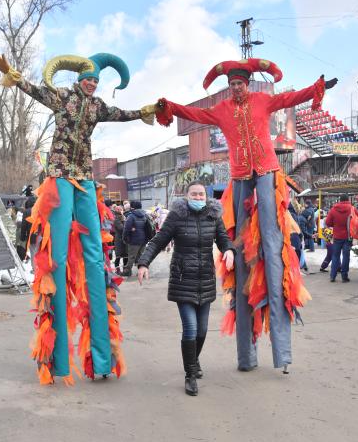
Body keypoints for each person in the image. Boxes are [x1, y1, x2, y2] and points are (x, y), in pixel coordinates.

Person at [143, 57, 337, 372]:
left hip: (267, 173)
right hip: (240, 177)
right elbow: (195, 113)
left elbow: (289, 98)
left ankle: (281, 354)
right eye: (232, 84)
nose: (236, 88)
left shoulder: (262, 100)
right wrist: (171, 106)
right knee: (241, 248)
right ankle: (246, 357)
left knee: (272, 247)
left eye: (240, 83)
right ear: (229, 86)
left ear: (247, 84)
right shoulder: (221, 110)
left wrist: (315, 88)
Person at [0, 49, 154, 385]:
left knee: (95, 260)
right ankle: (58, 363)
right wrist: (15, 75)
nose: (92, 83)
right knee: (59, 258)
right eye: (88, 78)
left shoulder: (97, 106)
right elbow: (36, 90)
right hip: (61, 177)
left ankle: (102, 361)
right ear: (78, 79)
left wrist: (146, 112)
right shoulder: (63, 97)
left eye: (96, 79)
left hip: (86, 179)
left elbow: (121, 113)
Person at [137, 181, 235, 396]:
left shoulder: (213, 215)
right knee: (190, 328)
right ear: (187, 195)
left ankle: (194, 359)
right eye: (194, 194)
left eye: (201, 194)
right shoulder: (177, 216)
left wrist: (229, 250)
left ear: (206, 197)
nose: (198, 198)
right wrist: (144, 263)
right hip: (183, 279)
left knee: (202, 330)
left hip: (205, 280)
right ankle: (190, 374)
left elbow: (224, 238)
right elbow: (158, 241)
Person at [326, 194, 358, 283]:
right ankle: (344, 276)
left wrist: (335, 225)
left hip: (337, 236)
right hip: (348, 236)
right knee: (346, 256)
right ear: (347, 200)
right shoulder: (351, 208)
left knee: (335, 256)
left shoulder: (333, 209)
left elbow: (327, 222)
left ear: (340, 200)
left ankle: (332, 276)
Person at [122, 200, 153, 276]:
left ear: (132, 207)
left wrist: (125, 238)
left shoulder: (131, 216)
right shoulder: (145, 215)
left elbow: (126, 229)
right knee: (141, 256)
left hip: (134, 240)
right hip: (144, 239)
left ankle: (127, 271)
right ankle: (143, 271)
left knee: (131, 257)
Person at [20, 195, 38, 273]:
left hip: (32, 236)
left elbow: (23, 225)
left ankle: (35, 270)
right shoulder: (40, 209)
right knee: (40, 252)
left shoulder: (27, 212)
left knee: (33, 253)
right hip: (42, 235)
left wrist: (22, 237)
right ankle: (41, 269)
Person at [112, 205, 127, 274]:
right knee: (118, 255)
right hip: (119, 239)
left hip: (124, 239)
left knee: (126, 255)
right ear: (117, 210)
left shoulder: (123, 217)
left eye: (122, 209)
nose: (122, 210)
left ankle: (125, 269)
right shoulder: (116, 218)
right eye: (120, 209)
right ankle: (117, 269)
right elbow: (121, 228)